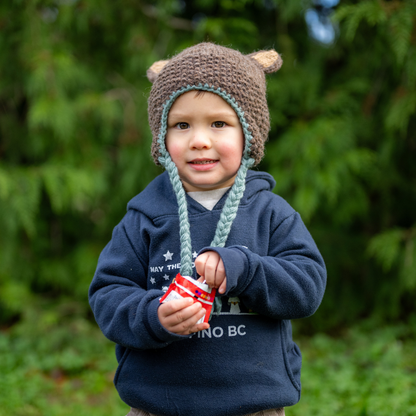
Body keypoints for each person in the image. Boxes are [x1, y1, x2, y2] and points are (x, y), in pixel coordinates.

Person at [89, 43, 326, 416]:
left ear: (249, 132)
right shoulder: (145, 217)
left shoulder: (270, 213)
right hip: (159, 403)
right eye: (181, 125)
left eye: (219, 123)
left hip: (254, 403)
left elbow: (307, 286)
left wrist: (246, 270)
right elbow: (108, 294)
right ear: (162, 139)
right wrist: (153, 315)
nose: (199, 139)